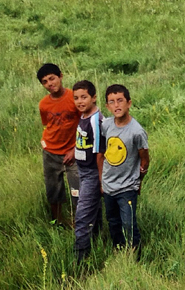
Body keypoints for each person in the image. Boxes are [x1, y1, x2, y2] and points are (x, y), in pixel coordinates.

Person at [99, 83, 149, 252]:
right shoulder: (106, 125)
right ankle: (118, 248)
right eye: (112, 102)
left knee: (128, 222)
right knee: (112, 220)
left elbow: (145, 160)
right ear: (107, 106)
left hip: (127, 186)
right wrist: (101, 180)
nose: (116, 105)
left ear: (129, 103)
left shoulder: (137, 131)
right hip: (108, 185)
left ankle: (134, 253)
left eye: (120, 100)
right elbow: (103, 151)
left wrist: (139, 182)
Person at [37, 62, 80, 224]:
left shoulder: (74, 98)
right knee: (53, 188)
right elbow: (48, 125)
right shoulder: (44, 104)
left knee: (77, 188)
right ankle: (57, 222)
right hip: (51, 152)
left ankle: (80, 221)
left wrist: (76, 149)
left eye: (52, 78)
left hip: (73, 152)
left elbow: (85, 125)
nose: (50, 84)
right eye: (45, 82)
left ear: (61, 76)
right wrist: (45, 143)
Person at [72, 80, 103, 262]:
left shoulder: (95, 120)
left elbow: (100, 153)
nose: (80, 101)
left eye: (84, 97)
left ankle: (79, 260)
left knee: (82, 216)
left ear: (93, 97)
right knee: (94, 211)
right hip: (82, 171)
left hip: (92, 173)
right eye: (76, 98)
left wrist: (101, 180)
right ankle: (96, 243)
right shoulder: (83, 116)